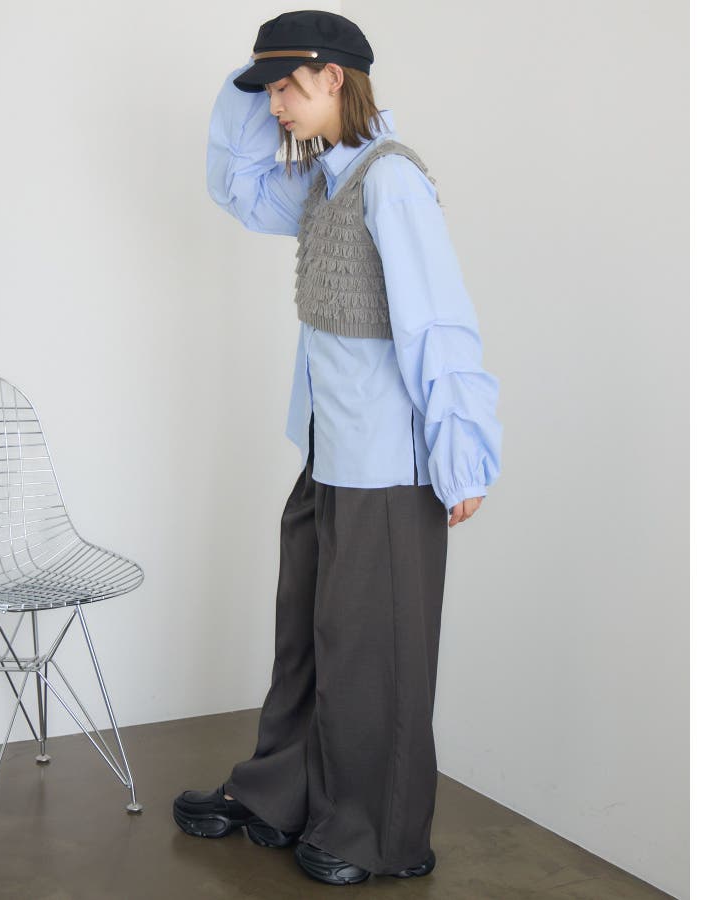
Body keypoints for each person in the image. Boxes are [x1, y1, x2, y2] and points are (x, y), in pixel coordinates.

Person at [172, 9, 503, 887]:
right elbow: (237, 185)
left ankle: (376, 834)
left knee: (372, 654)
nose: (275, 105)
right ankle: (284, 793)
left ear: (333, 77)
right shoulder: (325, 181)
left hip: (389, 468)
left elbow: (437, 322)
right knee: (308, 640)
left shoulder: (392, 182)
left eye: (286, 86)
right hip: (329, 452)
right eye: (268, 90)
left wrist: (462, 454)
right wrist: (247, 80)